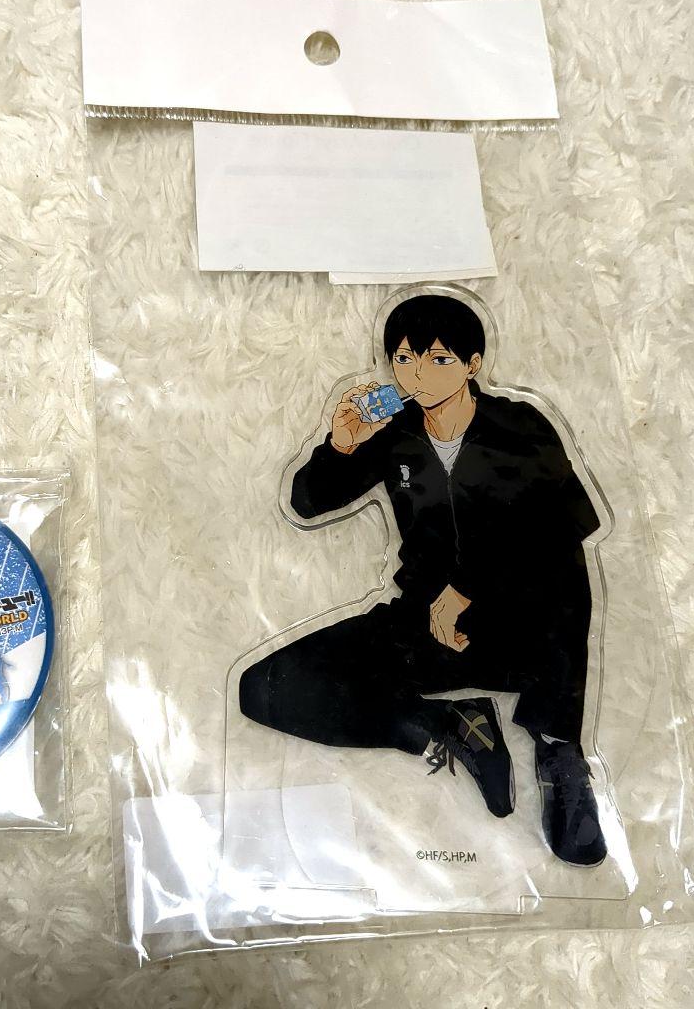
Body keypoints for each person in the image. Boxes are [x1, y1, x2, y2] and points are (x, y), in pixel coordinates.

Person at [239, 295, 608, 867]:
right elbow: (308, 502)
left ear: (473, 364)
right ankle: (452, 725)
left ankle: (560, 750)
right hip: (432, 625)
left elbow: (568, 523)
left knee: (563, 570)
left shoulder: (519, 425)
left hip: (526, 633)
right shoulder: (397, 433)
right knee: (264, 687)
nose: (418, 374)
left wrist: (465, 588)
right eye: (405, 359)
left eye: (438, 359)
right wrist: (342, 444)